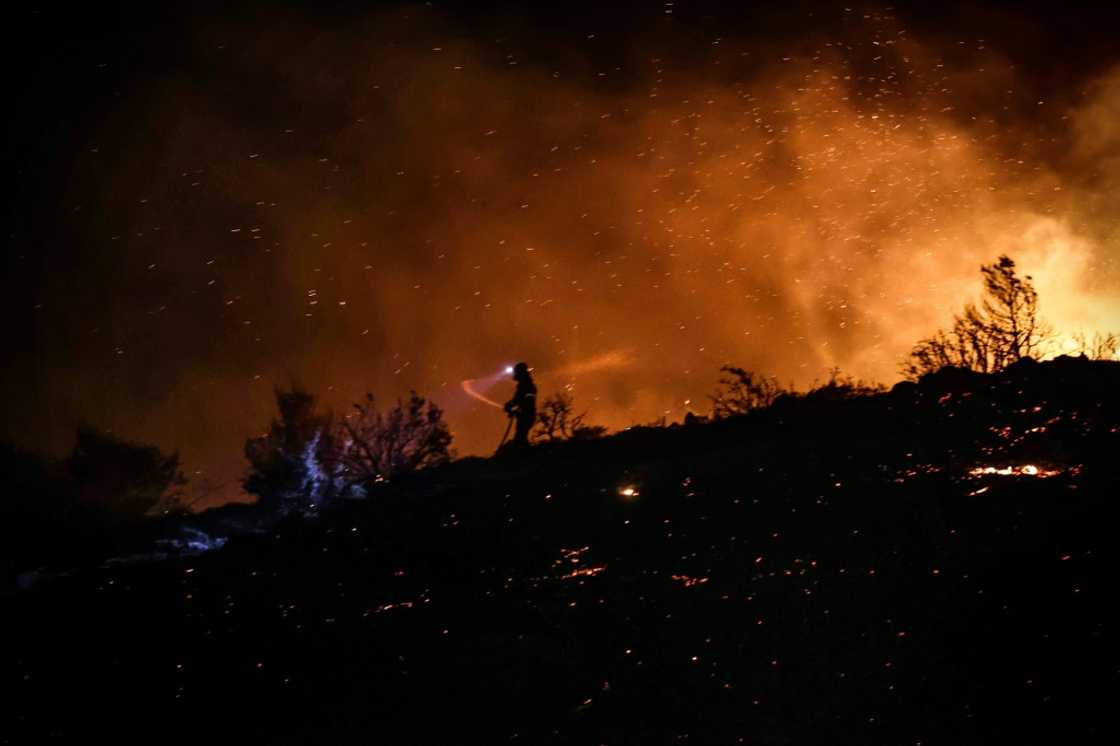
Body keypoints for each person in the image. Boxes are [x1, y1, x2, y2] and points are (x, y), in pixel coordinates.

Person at [503, 362, 537, 448]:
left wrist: (513, 408)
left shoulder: (527, 386)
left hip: (527, 416)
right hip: (525, 416)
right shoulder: (524, 386)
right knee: (521, 437)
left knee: (520, 438)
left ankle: (525, 457)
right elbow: (517, 400)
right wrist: (510, 406)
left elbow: (527, 402)